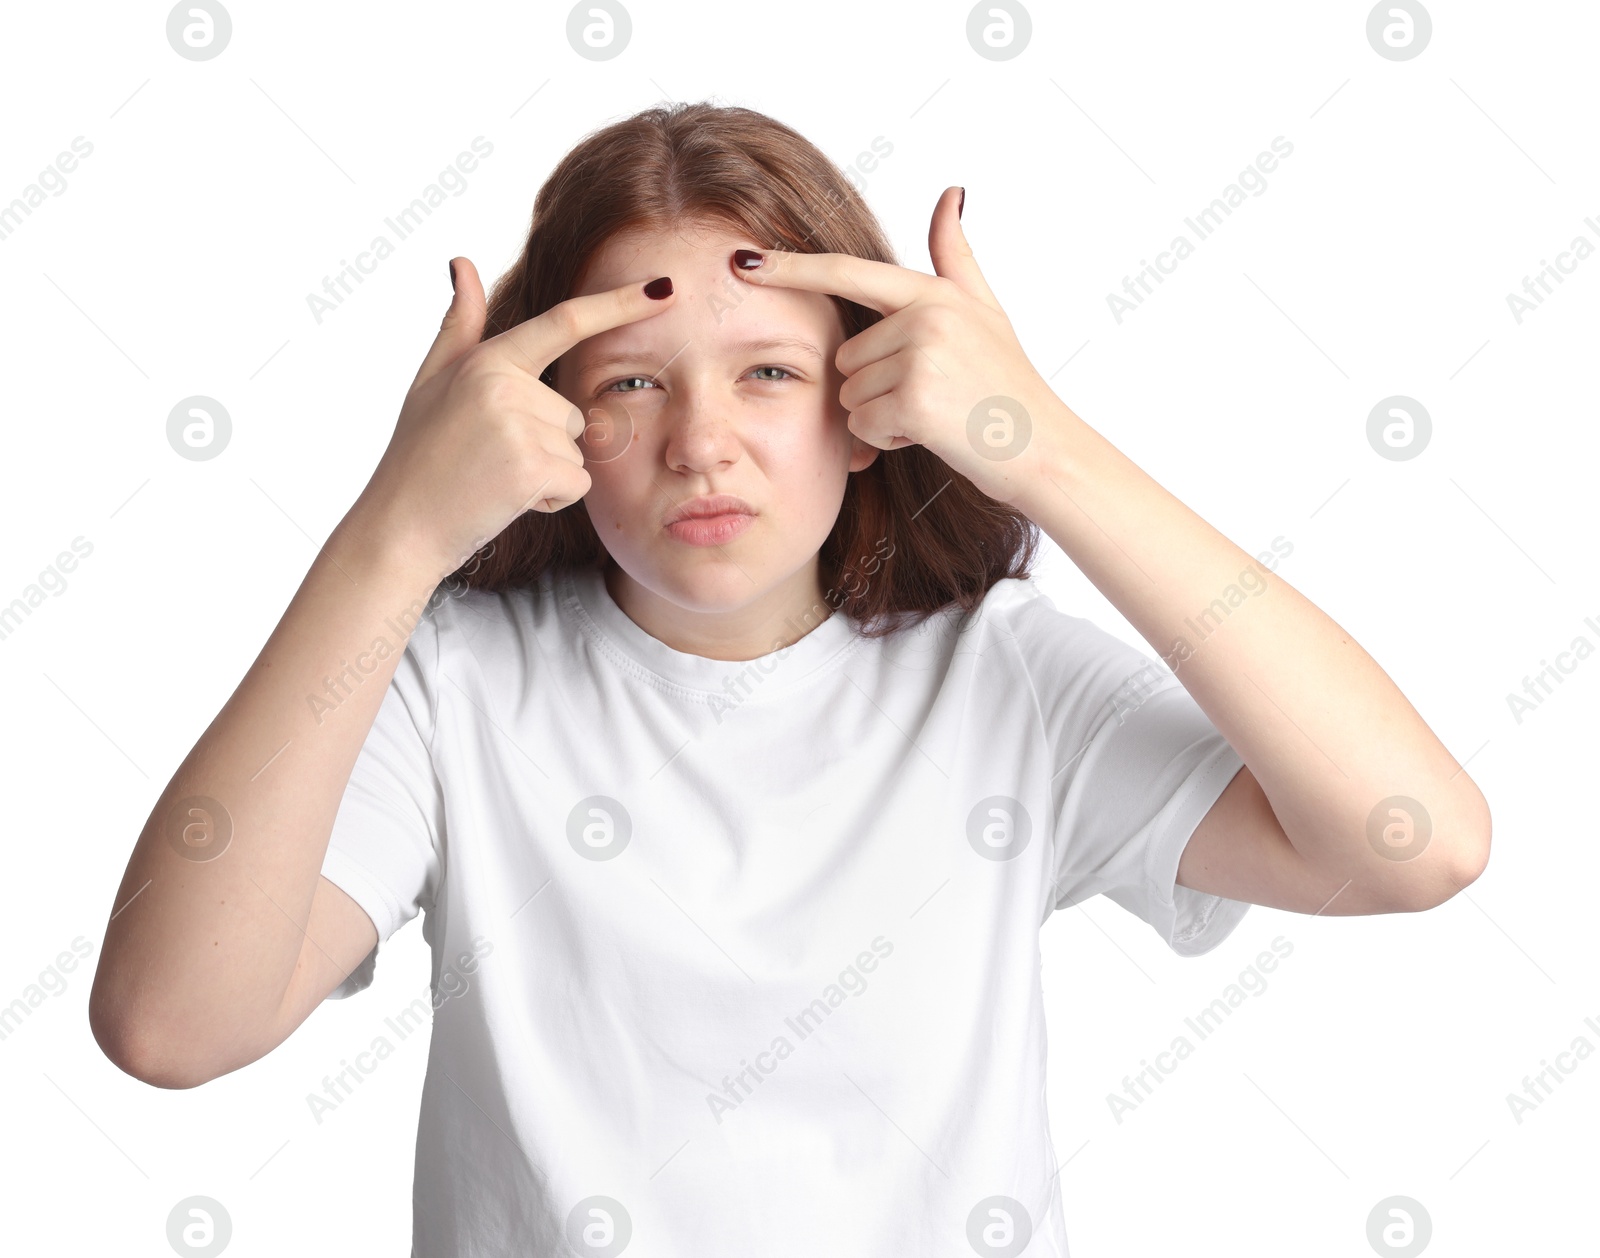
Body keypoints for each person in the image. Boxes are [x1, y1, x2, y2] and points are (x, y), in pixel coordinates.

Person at [89, 101, 1491, 1256]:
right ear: (548, 415)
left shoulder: (1002, 683)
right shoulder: (449, 689)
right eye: (633, 382)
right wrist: (392, 528)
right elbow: (170, 1023)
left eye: (766, 370)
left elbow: (1418, 843)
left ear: (870, 404)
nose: (704, 442)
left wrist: (1037, 439)